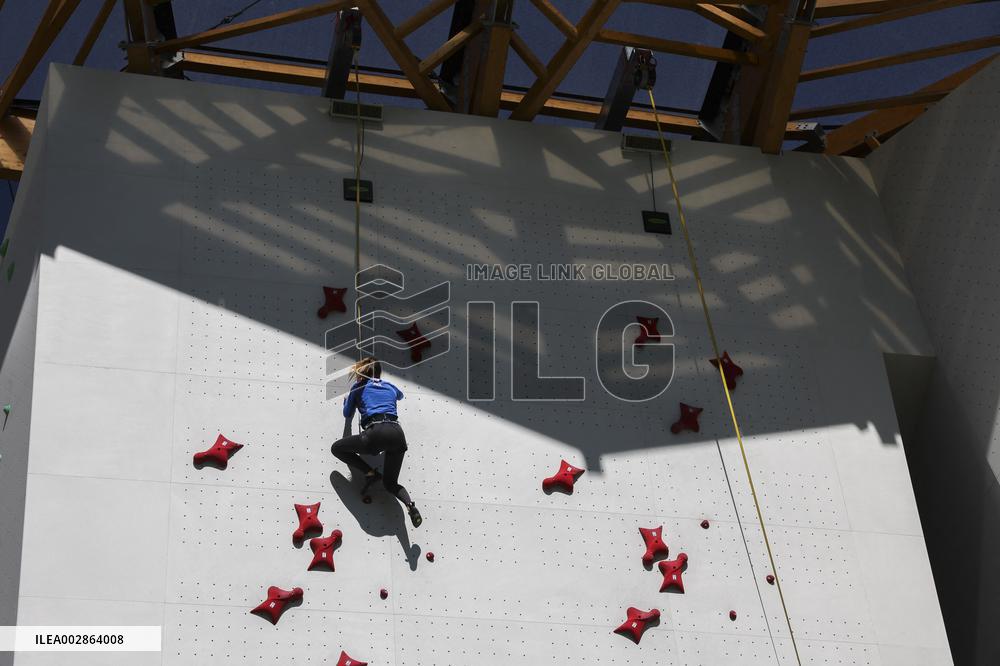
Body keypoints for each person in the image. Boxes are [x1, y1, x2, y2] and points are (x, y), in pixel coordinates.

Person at [331, 356, 422, 528]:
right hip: (397, 434)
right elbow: (400, 395)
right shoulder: (390, 386)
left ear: (361, 372)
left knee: (336, 448)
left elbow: (347, 413)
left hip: (376, 432)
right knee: (391, 483)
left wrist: (347, 400)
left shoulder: (358, 387)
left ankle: (370, 473)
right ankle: (410, 505)